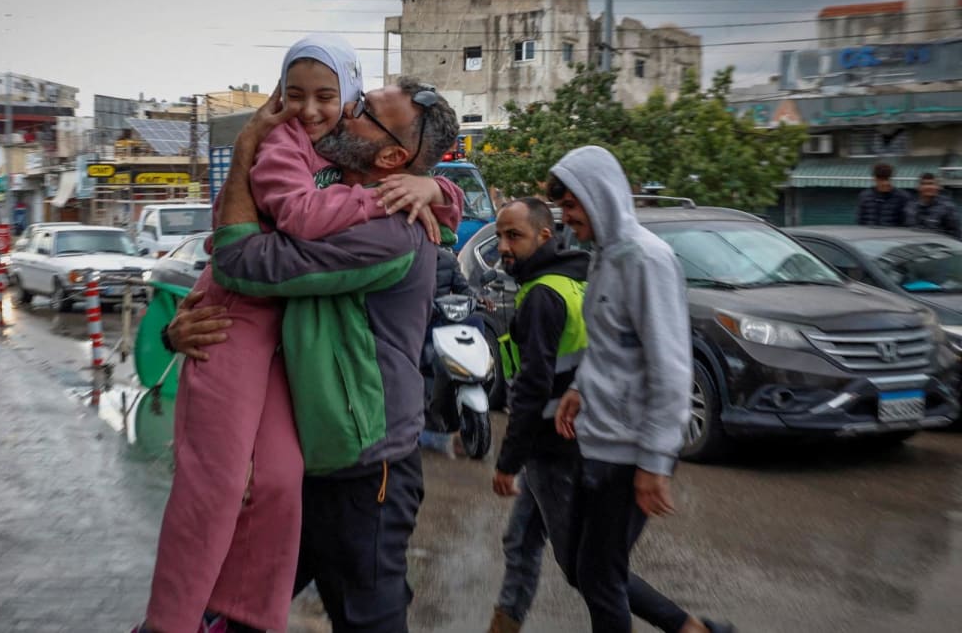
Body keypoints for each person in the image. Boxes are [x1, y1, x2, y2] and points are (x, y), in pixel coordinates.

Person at [139, 37, 463, 633]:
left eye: (362, 111)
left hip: (363, 467)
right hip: (308, 454)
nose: (346, 112)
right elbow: (237, 287)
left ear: (393, 161)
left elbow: (244, 264)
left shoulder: (390, 228)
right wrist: (182, 328)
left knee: (369, 617)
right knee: (238, 602)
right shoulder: (336, 175)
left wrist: (242, 154)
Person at [488, 196, 732, 633]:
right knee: (523, 541)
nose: (503, 246)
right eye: (500, 236)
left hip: (555, 445)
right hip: (566, 439)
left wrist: (507, 460)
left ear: (545, 235)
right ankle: (504, 623)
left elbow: (533, 386)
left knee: (588, 571)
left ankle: (688, 627)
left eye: (514, 236)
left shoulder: (547, 293)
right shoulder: (580, 275)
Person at [550, 146, 720, 633]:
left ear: (599, 197)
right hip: (596, 437)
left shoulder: (648, 259)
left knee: (599, 576)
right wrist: (581, 388)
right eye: (563, 208)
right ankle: (690, 629)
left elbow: (670, 365)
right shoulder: (605, 256)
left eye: (572, 206)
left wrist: (655, 461)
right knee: (582, 567)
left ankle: (690, 628)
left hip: (627, 451)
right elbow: (609, 345)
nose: (567, 218)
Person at [420, 244, 491, 456]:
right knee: (424, 361)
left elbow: (463, 288)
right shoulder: (410, 257)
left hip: (446, 320)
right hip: (421, 323)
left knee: (476, 322)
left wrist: (477, 299)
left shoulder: (449, 260)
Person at [904, 172, 960, 237]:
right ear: (918, 187)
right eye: (924, 184)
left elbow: (956, 233)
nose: (928, 187)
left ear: (938, 187)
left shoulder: (947, 208)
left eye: (932, 184)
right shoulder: (910, 207)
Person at [856, 162, 911, 227]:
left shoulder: (902, 197)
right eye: (881, 180)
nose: (885, 183)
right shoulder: (864, 196)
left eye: (887, 179)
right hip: (868, 235)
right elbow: (860, 221)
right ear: (875, 179)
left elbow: (907, 222)